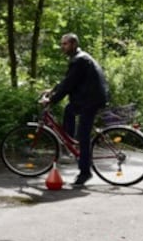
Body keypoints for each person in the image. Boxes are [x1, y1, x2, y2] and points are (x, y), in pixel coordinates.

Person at [41, 33, 108, 186]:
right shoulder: (79, 58)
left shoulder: (79, 60)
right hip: (87, 98)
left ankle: (85, 172)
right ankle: (69, 142)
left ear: (73, 44)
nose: (62, 47)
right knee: (69, 110)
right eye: (62, 44)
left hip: (90, 101)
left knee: (83, 135)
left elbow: (69, 85)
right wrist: (53, 90)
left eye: (64, 44)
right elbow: (68, 80)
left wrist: (51, 100)